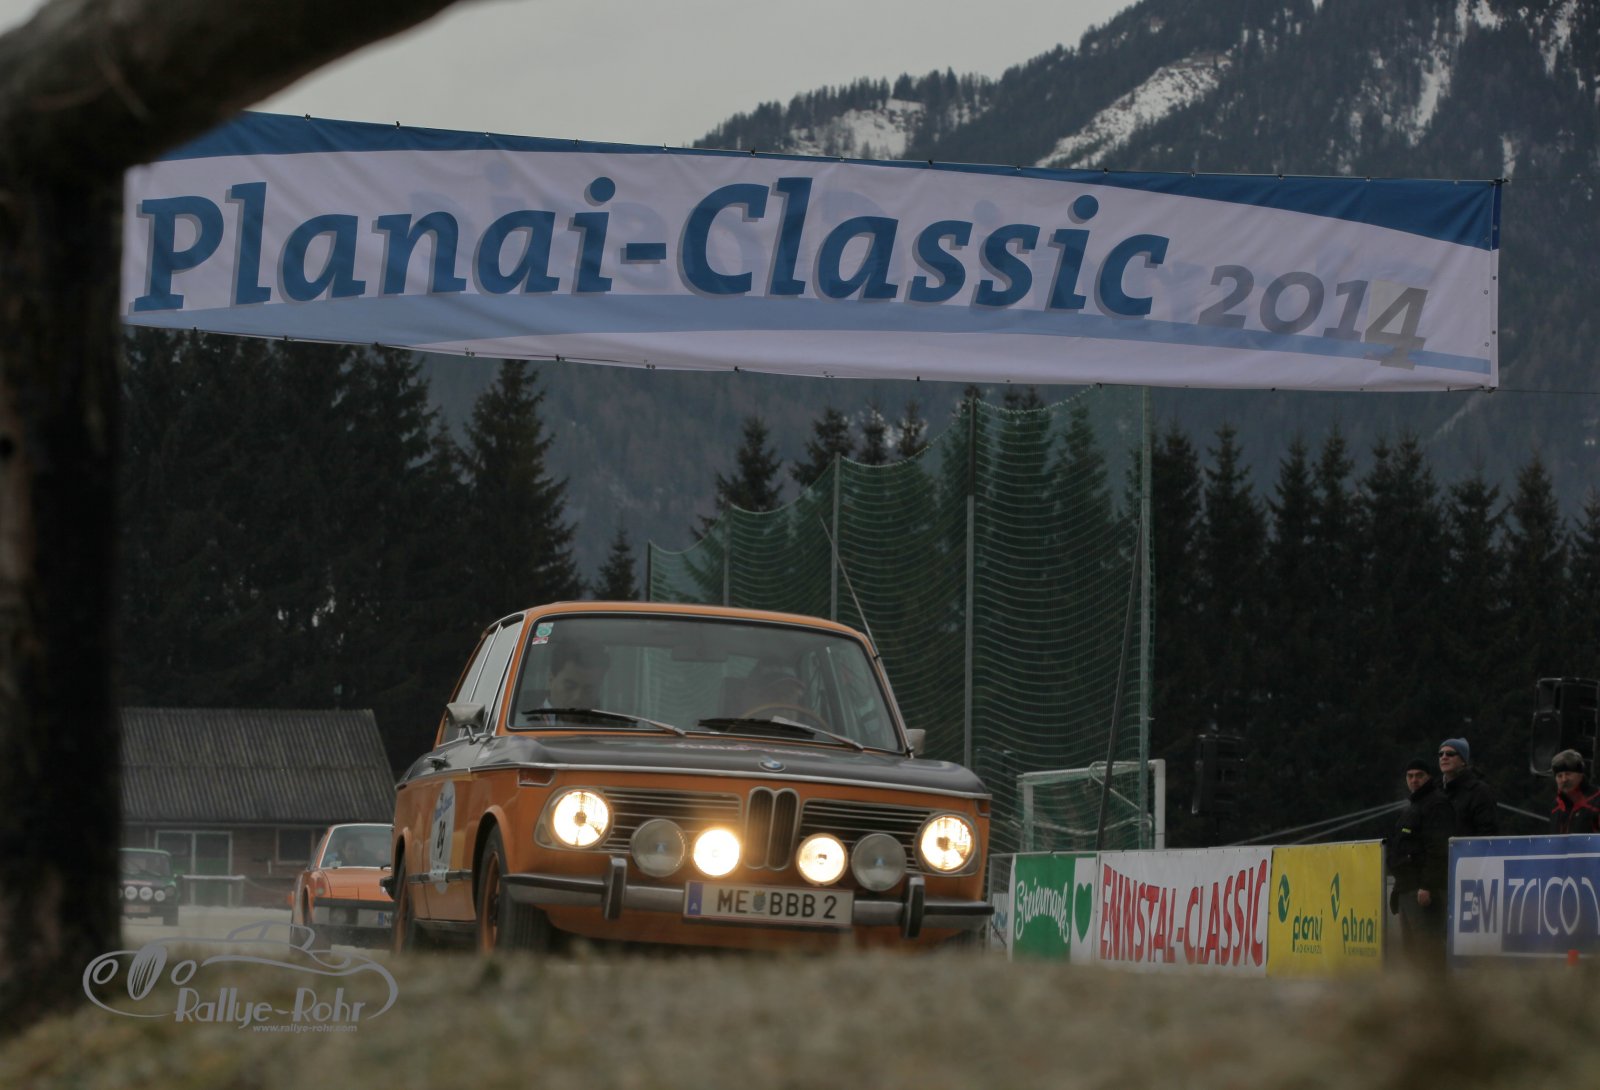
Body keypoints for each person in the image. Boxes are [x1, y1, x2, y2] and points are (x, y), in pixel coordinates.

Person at [1388, 757, 1455, 967]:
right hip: (1407, 888)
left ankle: (1435, 987)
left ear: (1428, 777)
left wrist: (1427, 885)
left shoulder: (1436, 804)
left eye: (1419, 775)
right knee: (1411, 952)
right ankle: (1418, 988)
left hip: (1423, 890)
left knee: (1428, 947)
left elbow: (1437, 849)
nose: (1414, 780)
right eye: (1410, 776)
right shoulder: (1413, 807)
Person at [1437, 736, 1498, 836]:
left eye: (1450, 754)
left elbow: (1488, 831)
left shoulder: (1480, 791)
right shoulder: (1435, 790)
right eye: (1440, 754)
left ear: (1463, 761)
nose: (1444, 757)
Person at [1549, 749, 1600, 834]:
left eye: (1568, 774)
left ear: (1580, 774)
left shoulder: (1597, 802)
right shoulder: (1556, 807)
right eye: (1559, 776)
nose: (1564, 779)